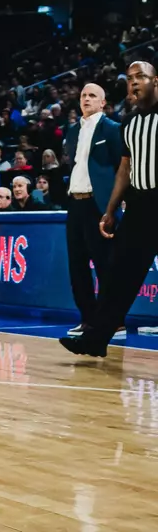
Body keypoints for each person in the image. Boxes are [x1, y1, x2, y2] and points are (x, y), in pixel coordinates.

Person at [61, 62, 158, 357]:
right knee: (118, 272)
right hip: (141, 203)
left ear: (155, 80)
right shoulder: (129, 122)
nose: (134, 82)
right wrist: (111, 208)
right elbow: (125, 169)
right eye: (129, 78)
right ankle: (96, 337)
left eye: (141, 76)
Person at [61, 82, 123, 337]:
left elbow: (122, 168)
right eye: (83, 95)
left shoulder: (112, 129)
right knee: (76, 265)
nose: (86, 99)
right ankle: (88, 318)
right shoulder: (73, 130)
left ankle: (114, 321)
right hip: (75, 203)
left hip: (99, 205)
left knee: (104, 264)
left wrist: (116, 204)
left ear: (103, 103)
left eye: (92, 96)